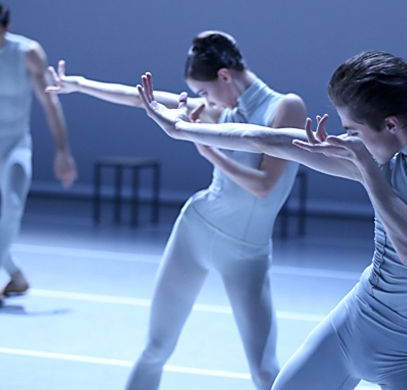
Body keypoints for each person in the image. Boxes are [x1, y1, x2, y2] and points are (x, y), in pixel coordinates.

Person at [136, 50, 407, 389]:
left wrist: (367, 168)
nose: (347, 138)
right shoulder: (381, 154)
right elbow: (268, 139)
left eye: (353, 130)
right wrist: (181, 130)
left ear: (391, 124)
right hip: (355, 323)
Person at [46, 31, 306, 389]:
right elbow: (141, 99)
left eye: (202, 91)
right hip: (195, 231)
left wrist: (204, 145)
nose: (202, 100)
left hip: (248, 255)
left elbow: (264, 186)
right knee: (155, 348)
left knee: (263, 370)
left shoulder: (286, 108)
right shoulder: (220, 110)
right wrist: (79, 84)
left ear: (224, 76)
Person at [0, 3, 77, 306]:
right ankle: (15, 274)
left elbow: (50, 104)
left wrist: (63, 152)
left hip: (15, 144)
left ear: (6, 28)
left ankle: (14, 275)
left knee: (13, 204)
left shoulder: (27, 53)